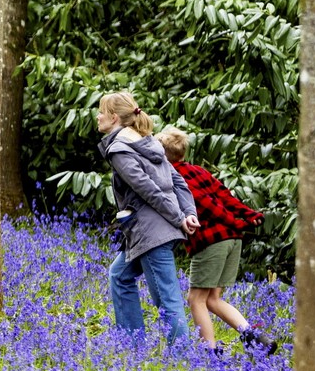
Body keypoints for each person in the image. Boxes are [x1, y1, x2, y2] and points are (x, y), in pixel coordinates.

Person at [155, 127, 277, 354]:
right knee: (212, 299)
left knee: (195, 299)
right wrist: (248, 214)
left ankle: (209, 352)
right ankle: (256, 338)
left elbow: (207, 204)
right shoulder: (198, 171)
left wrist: (238, 222)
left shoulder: (173, 177)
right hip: (233, 240)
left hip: (211, 241)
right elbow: (224, 195)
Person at [96, 92, 198, 346]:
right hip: (156, 229)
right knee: (119, 276)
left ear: (114, 117)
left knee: (166, 297)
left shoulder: (119, 150)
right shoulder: (147, 141)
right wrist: (188, 213)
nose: (97, 117)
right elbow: (178, 182)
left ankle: (182, 357)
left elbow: (148, 190)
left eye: (101, 112)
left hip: (151, 231)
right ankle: (133, 345)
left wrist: (181, 217)